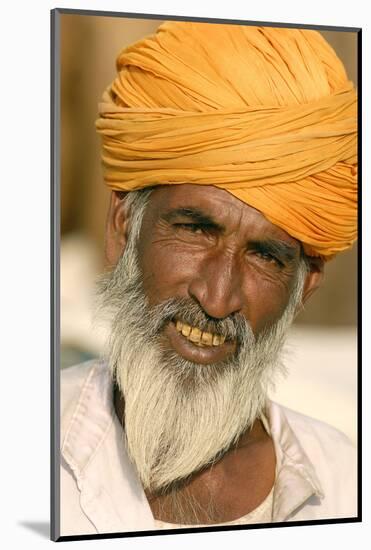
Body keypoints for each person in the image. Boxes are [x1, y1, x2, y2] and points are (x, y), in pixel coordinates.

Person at [60, 22, 357, 536]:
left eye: (266, 257)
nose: (217, 298)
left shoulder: (348, 485)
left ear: (304, 287)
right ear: (123, 226)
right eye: (195, 230)